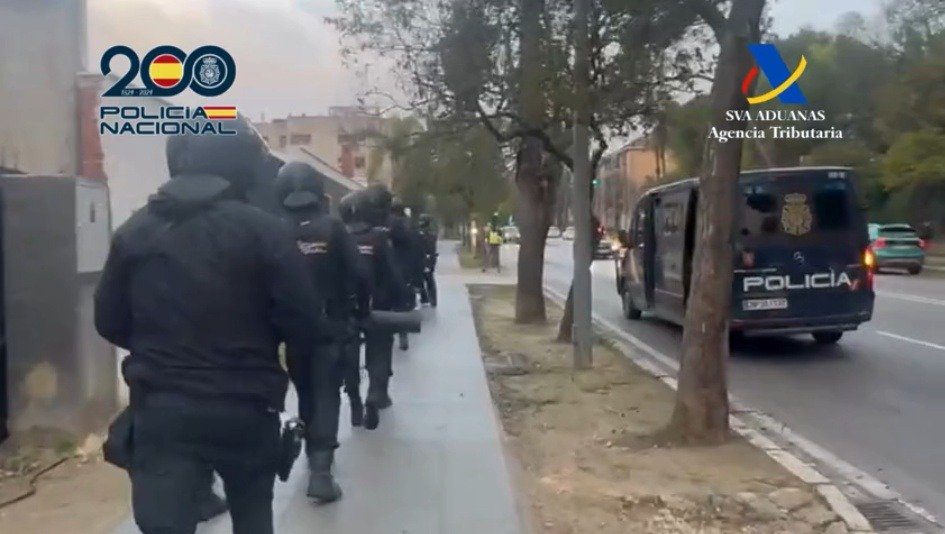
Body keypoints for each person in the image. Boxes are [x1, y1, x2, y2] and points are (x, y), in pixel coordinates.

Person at [94, 117, 329, 534]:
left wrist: (163, 345)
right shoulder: (266, 233)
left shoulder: (135, 232)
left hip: (162, 409)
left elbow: (109, 322)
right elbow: (306, 325)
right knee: (253, 518)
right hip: (246, 409)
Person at [274, 161, 369, 503]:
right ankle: (321, 469)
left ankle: (311, 450)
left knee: (306, 393)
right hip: (331, 327)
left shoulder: (276, 231)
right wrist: (359, 310)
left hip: (293, 333)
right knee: (327, 392)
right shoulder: (333, 228)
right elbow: (360, 273)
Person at [343, 185, 407, 429]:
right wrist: (402, 300)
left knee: (348, 354)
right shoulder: (378, 238)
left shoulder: (340, 236)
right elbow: (392, 273)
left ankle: (354, 399)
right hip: (379, 304)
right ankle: (376, 393)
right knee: (379, 348)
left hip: (347, 307)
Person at [388, 199, 423, 350]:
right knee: (403, 304)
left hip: (390, 268)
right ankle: (403, 333)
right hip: (407, 268)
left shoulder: (387, 224)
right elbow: (418, 249)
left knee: (388, 303)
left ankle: (389, 334)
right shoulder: (411, 226)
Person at [416, 213, 438, 307]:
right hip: (428, 258)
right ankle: (429, 298)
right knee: (428, 279)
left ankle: (426, 298)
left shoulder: (422, 234)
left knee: (424, 279)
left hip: (424, 258)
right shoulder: (431, 234)